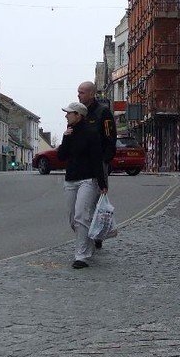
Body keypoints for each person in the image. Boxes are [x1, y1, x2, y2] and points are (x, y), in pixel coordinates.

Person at [56, 102, 108, 269]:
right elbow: (62, 156)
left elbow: (96, 159)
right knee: (72, 218)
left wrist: (102, 183)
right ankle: (90, 240)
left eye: (69, 113)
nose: (66, 116)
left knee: (81, 215)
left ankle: (81, 255)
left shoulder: (91, 133)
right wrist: (65, 137)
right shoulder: (69, 133)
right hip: (71, 179)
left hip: (88, 179)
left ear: (78, 115)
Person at [78, 81, 116, 248]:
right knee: (85, 204)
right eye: (78, 92)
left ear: (92, 94)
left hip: (99, 162)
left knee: (97, 200)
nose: (78, 95)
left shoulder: (103, 112)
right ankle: (91, 234)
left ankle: (98, 233)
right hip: (82, 164)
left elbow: (110, 137)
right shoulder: (79, 113)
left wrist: (105, 160)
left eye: (82, 92)